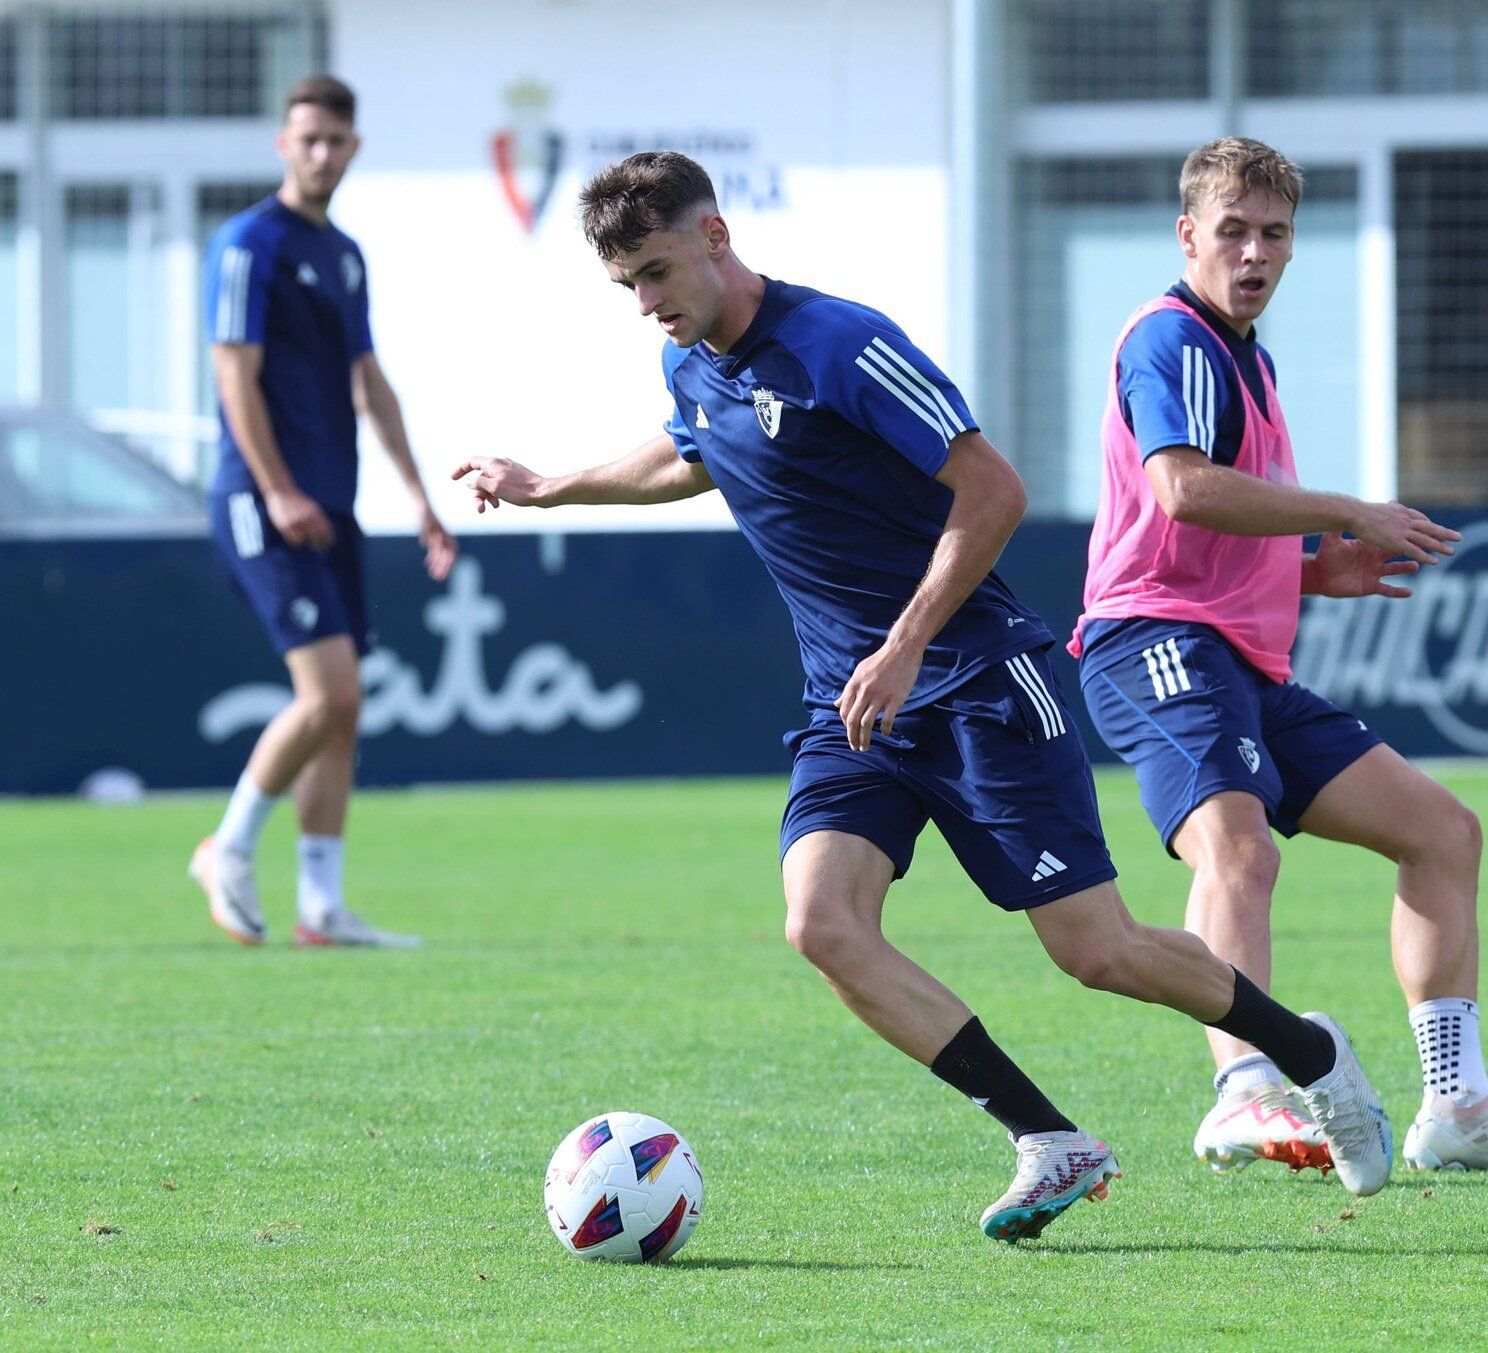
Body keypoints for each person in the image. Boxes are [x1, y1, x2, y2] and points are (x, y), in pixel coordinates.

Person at [457, 151, 1405, 1242]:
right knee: (820, 922)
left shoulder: (838, 343)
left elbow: (992, 488)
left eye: (659, 271)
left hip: (977, 683)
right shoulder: (692, 365)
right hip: (851, 706)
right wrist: (550, 484)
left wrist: (906, 642)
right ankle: (1048, 1139)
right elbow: (693, 453)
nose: (648, 302)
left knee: (1095, 951)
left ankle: (1307, 1052)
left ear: (715, 237)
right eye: (628, 285)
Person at [1071, 137, 1488, 1175]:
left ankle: (1456, 1104)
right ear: (1187, 236)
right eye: (1232, 231)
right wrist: (1347, 508)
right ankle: (1243, 1089)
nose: (1253, 252)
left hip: (1238, 660)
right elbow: (1181, 490)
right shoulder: (1170, 342)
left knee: (1441, 831)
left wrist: (1308, 569)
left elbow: (1201, 529)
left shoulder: (1244, 354)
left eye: (1274, 233)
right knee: (1237, 848)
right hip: (1153, 643)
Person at [190, 75, 455, 948]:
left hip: (330, 506)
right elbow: (233, 374)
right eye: (306, 138)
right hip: (262, 500)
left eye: (335, 140)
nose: (321, 154)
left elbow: (369, 384)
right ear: (282, 143)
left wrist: (419, 496)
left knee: (345, 709)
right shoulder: (247, 244)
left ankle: (322, 905)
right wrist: (276, 488)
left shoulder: (343, 254)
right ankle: (225, 848)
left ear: (353, 146)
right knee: (328, 690)